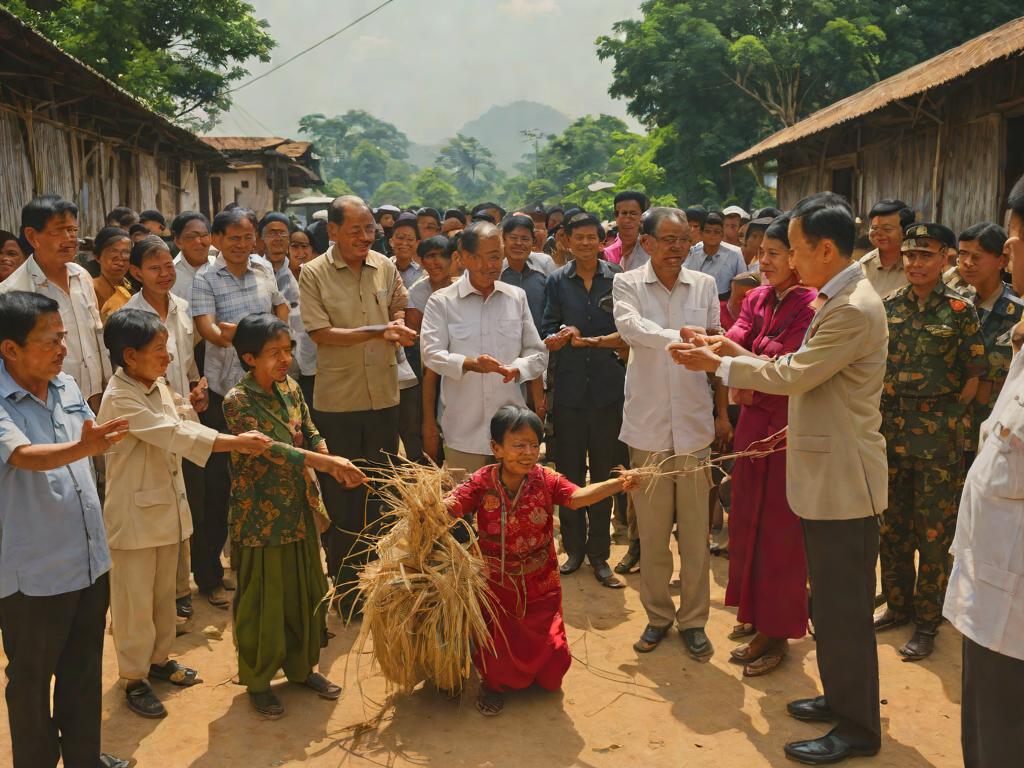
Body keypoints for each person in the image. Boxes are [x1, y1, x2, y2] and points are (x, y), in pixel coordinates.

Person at [672, 192, 887, 764]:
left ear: (822, 248)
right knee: (832, 605)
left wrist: (720, 362)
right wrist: (728, 350)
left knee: (843, 607)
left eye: (791, 249)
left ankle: (859, 727)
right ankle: (841, 699)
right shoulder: (837, 297)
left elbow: (795, 373)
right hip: (823, 470)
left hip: (843, 477)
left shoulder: (849, 308)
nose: (785, 259)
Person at [96, 310, 270, 718]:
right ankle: (134, 678)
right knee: (133, 603)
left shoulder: (153, 385)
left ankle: (158, 661)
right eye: (159, 350)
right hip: (135, 518)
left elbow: (180, 421)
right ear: (130, 355)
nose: (168, 357)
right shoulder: (120, 396)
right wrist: (235, 442)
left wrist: (192, 405)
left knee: (163, 597)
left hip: (162, 510)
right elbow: (172, 434)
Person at [0, 290, 131, 768]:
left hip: (90, 559)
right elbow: (23, 456)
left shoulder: (67, 386)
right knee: (32, 681)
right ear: (10, 349)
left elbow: (92, 437)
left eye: (63, 337)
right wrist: (85, 448)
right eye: (49, 341)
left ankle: (83, 759)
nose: (62, 350)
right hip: (34, 572)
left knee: (82, 673)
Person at [446, 405, 638, 716]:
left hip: (540, 581)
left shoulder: (545, 479)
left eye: (534, 444)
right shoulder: (482, 481)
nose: (528, 453)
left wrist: (619, 483)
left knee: (551, 674)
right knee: (497, 648)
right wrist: (427, 505)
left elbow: (577, 498)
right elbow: (452, 506)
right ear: (496, 448)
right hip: (495, 584)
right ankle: (492, 684)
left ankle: (534, 674)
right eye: (518, 445)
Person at [223, 314, 365, 717]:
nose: (285, 359)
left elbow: (311, 429)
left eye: (287, 350)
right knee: (264, 598)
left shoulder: (291, 387)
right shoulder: (237, 401)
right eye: (274, 353)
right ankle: (259, 680)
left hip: (300, 506)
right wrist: (327, 461)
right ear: (249, 357)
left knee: (306, 589)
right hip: (260, 516)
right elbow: (272, 450)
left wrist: (331, 458)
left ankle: (303, 669)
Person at [613, 206, 726, 661]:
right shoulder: (627, 283)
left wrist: (721, 413)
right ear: (647, 242)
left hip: (695, 425)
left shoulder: (704, 285)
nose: (678, 248)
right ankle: (658, 616)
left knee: (696, 531)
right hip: (648, 428)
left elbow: (716, 345)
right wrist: (674, 338)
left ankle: (695, 620)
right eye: (669, 240)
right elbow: (629, 327)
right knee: (654, 531)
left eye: (685, 240)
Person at [708, 216, 817, 676]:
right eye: (761, 253)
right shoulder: (756, 296)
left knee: (780, 532)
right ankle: (756, 614)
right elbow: (740, 336)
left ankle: (778, 631)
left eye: (774, 254)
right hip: (753, 422)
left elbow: (782, 365)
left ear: (796, 257)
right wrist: (714, 343)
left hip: (787, 428)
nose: (764, 262)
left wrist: (725, 354)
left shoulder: (812, 306)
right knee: (746, 520)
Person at [873, 223, 985, 661]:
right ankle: (896, 605)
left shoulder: (960, 310)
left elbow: (975, 375)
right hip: (891, 432)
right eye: (910, 254)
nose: (916, 263)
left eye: (926, 255)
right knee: (892, 526)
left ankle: (927, 620)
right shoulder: (887, 307)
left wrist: (950, 419)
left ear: (945, 260)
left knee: (934, 533)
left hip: (938, 439)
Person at [298, 195, 415, 613]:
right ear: (332, 231)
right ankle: (347, 592)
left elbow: (399, 304)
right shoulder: (312, 273)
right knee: (343, 499)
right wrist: (379, 331)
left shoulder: (383, 265)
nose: (365, 237)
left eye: (370, 230)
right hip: (339, 403)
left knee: (381, 494)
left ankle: (378, 586)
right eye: (355, 230)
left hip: (384, 398)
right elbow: (320, 333)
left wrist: (398, 324)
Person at [190, 208, 289, 609]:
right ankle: (209, 575)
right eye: (233, 237)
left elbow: (281, 310)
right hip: (221, 394)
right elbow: (210, 331)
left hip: (266, 392)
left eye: (248, 237)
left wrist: (255, 331)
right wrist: (255, 335)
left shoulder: (265, 269)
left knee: (263, 479)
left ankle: (252, 570)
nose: (242, 244)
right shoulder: (205, 278)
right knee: (216, 488)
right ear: (217, 238)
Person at [943, 301, 1024, 768]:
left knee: (1003, 734)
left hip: (1011, 598)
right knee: (985, 726)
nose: (1012, 245)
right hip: (992, 586)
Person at [542, 212, 627, 588]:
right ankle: (574, 549)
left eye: (593, 237)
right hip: (571, 393)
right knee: (571, 475)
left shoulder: (619, 278)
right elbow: (546, 327)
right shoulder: (556, 281)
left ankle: (600, 554)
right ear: (567, 240)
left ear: (602, 238)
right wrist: (562, 332)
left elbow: (628, 327)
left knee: (606, 472)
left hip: (610, 391)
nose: (587, 243)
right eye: (579, 237)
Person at [421, 220, 547, 473]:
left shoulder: (515, 297)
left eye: (496, 257)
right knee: (464, 507)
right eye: (483, 258)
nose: (491, 266)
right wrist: (469, 364)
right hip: (463, 431)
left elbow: (537, 353)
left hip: (511, 432)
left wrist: (518, 369)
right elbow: (431, 354)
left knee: (513, 508)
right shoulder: (442, 301)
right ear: (464, 257)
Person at [0, 196, 112, 411]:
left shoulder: (82, 276)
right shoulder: (13, 292)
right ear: (32, 237)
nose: (69, 238)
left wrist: (106, 388)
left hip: (96, 398)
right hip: (46, 403)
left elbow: (96, 337)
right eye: (58, 231)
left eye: (73, 230)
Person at [956, 222, 1022, 458]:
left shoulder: (1018, 313)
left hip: (1002, 430)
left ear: (1002, 261)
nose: (967, 263)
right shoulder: (954, 305)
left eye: (977, 256)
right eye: (962, 254)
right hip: (955, 428)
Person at [409, 236, 456, 464]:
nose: (436, 262)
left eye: (441, 255)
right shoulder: (418, 291)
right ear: (422, 261)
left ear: (453, 259)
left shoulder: (464, 286)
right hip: (429, 367)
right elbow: (416, 335)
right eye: (430, 256)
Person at [500, 214, 548, 333]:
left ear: (533, 242)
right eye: (513, 237)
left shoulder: (545, 265)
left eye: (525, 239)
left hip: (541, 344)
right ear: (504, 239)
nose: (519, 243)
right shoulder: (496, 273)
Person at [684, 211, 747, 299]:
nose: (712, 235)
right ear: (701, 233)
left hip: (724, 302)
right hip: (695, 300)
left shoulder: (735, 253)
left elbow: (743, 281)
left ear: (722, 234)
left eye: (717, 232)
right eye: (708, 231)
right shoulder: (692, 252)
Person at [859, 199, 915, 297]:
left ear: (905, 231)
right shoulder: (864, 265)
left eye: (887, 229)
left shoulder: (916, 265)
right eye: (874, 228)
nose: (878, 233)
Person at [91, 227, 134, 321]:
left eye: (126, 252)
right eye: (113, 251)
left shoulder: (130, 287)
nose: (120, 258)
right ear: (97, 257)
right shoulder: (90, 289)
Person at [170, 211, 214, 302]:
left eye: (204, 235)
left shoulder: (220, 268)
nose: (199, 241)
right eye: (191, 237)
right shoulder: (169, 276)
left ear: (210, 237)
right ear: (178, 241)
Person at [603, 191, 651, 271]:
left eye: (633, 214)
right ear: (616, 216)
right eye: (624, 213)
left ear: (643, 217)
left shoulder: (652, 251)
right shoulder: (606, 254)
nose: (627, 220)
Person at [390, 214, 423, 288]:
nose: (404, 243)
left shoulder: (422, 274)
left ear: (417, 243)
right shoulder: (382, 268)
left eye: (410, 239)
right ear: (391, 242)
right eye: (400, 238)